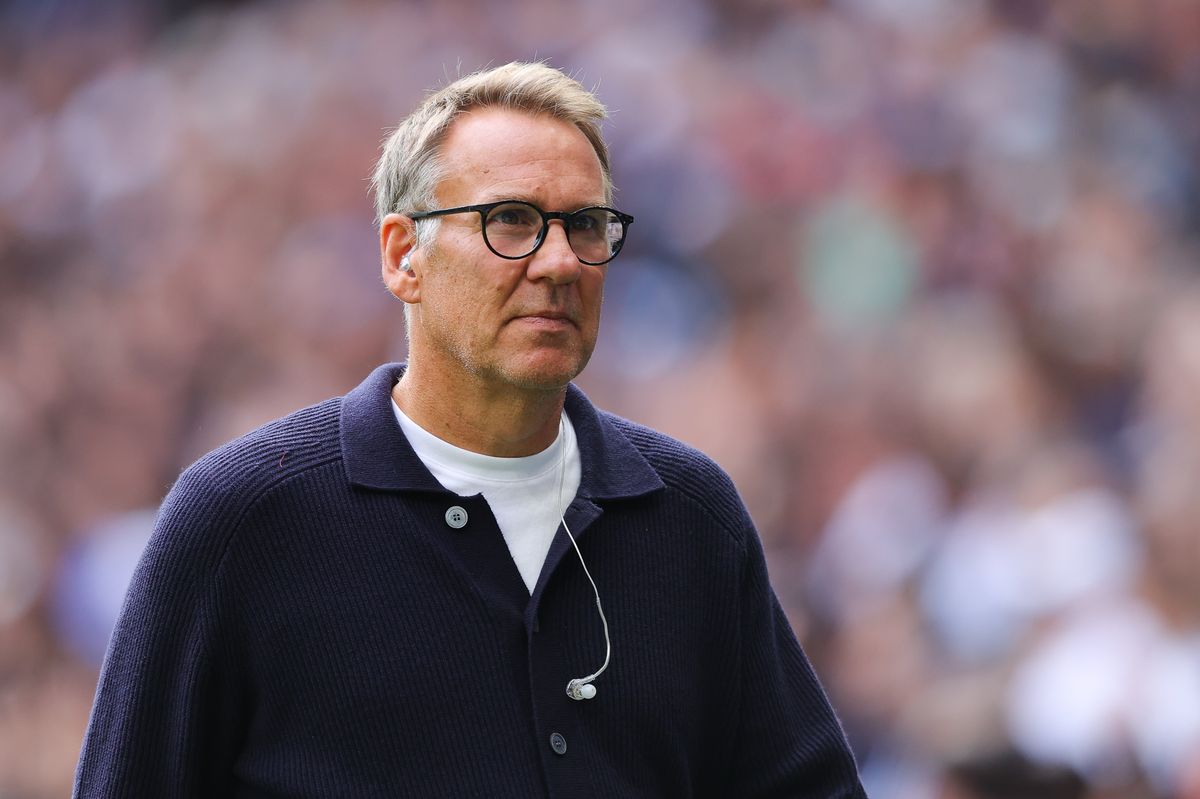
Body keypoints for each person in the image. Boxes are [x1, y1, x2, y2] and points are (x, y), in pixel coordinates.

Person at [74, 61, 867, 798]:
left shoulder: (688, 516)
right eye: (511, 220)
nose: (560, 261)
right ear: (402, 257)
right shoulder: (243, 518)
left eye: (586, 225)